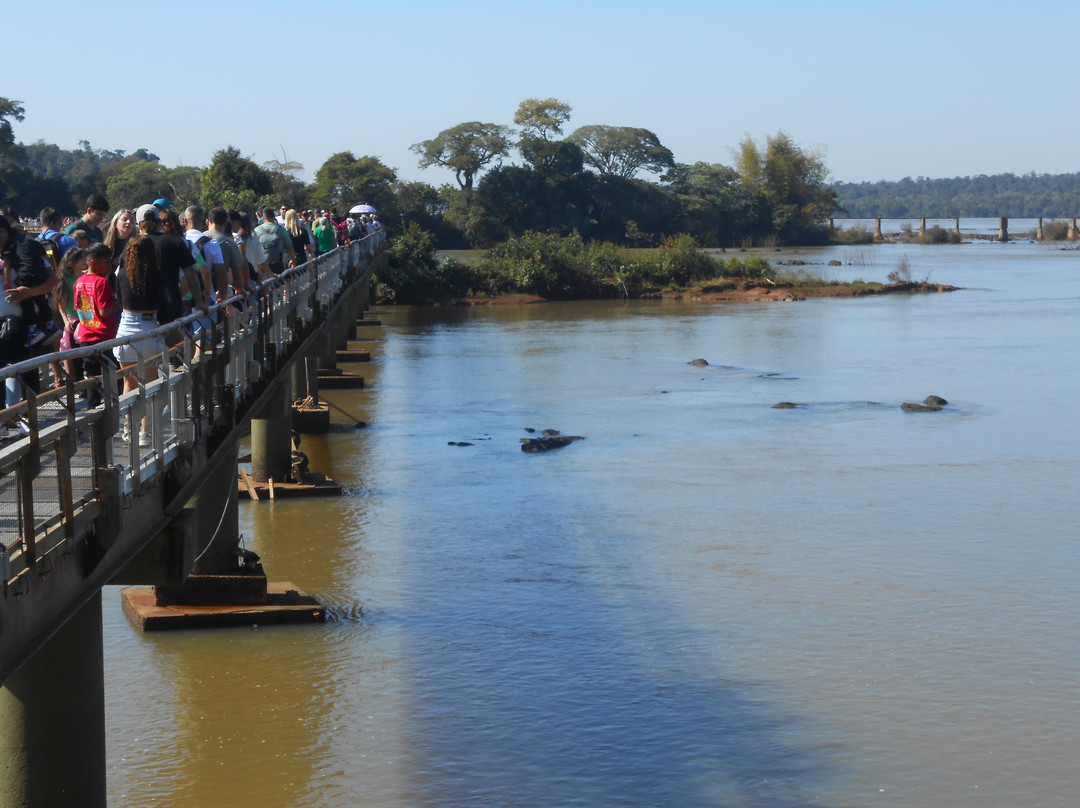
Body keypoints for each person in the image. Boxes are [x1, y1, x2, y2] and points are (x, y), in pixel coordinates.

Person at [0, 213, 59, 402]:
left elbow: (52, 279)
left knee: (27, 371)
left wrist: (30, 292)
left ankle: (28, 420)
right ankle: (4, 419)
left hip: (24, 324)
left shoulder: (22, 250)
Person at [113, 233, 164, 446]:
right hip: (149, 329)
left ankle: (128, 428)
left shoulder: (121, 274)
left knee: (128, 382)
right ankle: (145, 433)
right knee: (149, 384)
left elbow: (117, 298)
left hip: (125, 331)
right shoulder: (156, 274)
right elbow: (166, 299)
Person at [72, 243, 119, 407]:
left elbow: (79, 307)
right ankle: (112, 404)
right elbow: (104, 311)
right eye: (106, 262)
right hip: (103, 336)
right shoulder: (102, 283)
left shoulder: (78, 282)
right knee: (111, 371)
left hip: (86, 334)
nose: (109, 266)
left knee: (91, 373)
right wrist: (119, 303)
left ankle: (92, 405)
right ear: (93, 262)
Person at [254, 205, 295, 275]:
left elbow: (254, 248)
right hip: (278, 265)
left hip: (262, 266)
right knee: (280, 284)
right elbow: (289, 246)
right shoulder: (281, 230)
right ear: (274, 216)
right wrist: (293, 260)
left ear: (263, 216)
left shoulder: (256, 230)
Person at [104, 209, 136, 276]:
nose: (128, 222)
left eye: (131, 221)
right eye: (125, 219)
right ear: (115, 223)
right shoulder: (106, 247)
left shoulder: (135, 246)